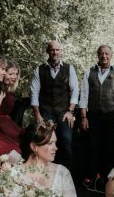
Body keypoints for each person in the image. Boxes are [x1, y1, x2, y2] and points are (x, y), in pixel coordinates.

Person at [79, 45, 114, 191]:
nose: (104, 56)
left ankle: (106, 180)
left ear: (111, 56)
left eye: (107, 54)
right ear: (98, 55)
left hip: (110, 114)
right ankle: (92, 178)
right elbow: (84, 97)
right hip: (92, 115)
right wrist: (83, 117)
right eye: (101, 54)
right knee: (93, 147)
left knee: (108, 148)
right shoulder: (90, 71)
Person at [30, 40, 79, 170]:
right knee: (44, 142)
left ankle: (67, 174)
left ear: (61, 52)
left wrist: (70, 111)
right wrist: (37, 115)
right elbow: (34, 93)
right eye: (52, 50)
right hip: (45, 112)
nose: (55, 52)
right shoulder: (39, 70)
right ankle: (45, 172)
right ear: (48, 51)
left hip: (64, 112)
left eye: (57, 50)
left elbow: (75, 92)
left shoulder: (69, 69)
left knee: (66, 141)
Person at [0, 60, 22, 144]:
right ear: (4, 74)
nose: (14, 77)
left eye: (16, 74)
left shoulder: (9, 92)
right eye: (11, 74)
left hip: (7, 122)